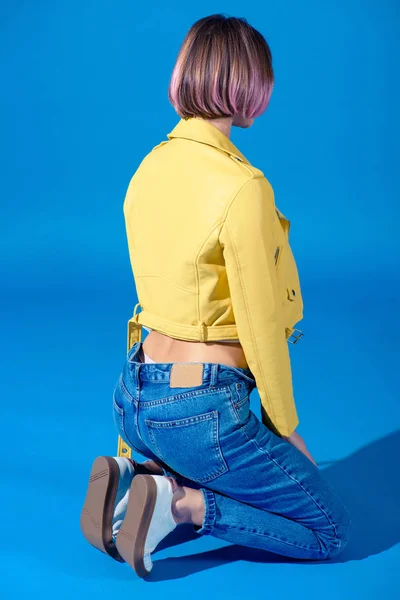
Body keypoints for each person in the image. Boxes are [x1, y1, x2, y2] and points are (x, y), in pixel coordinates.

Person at [80, 13, 352, 578]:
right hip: (198, 412)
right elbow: (258, 322)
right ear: (250, 85)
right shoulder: (243, 187)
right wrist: (285, 426)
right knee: (329, 530)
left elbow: (148, 300)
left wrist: (130, 438)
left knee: (199, 449)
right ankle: (181, 504)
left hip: (133, 397)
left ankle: (143, 476)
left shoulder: (147, 168)